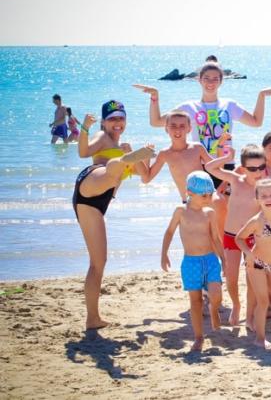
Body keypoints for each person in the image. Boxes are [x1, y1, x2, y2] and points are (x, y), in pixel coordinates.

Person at [134, 61, 271, 234]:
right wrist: (154, 97)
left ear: (221, 81)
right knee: (205, 216)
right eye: (206, 78)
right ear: (199, 80)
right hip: (202, 167)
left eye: (215, 78)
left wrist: (261, 96)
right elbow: (157, 122)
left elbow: (256, 122)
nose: (210, 82)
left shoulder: (230, 105)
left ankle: (231, 255)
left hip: (226, 166)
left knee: (229, 215)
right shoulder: (189, 107)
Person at [73, 100, 154, 329]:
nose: (117, 123)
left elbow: (145, 177)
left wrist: (144, 156)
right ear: (103, 122)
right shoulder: (102, 137)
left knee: (98, 263)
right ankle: (120, 162)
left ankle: (92, 319)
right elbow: (82, 152)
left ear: (125, 120)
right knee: (111, 172)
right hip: (91, 180)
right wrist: (86, 128)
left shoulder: (125, 145)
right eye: (112, 119)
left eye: (120, 118)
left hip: (95, 204)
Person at [161, 171, 224, 352]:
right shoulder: (181, 211)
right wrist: (164, 254)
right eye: (203, 195)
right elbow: (169, 232)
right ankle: (199, 337)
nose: (208, 198)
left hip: (210, 260)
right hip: (191, 263)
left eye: (210, 195)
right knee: (195, 302)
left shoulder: (210, 213)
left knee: (216, 293)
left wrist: (224, 260)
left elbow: (216, 238)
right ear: (189, 192)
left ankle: (213, 310)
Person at [204, 145, 266, 327]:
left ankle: (250, 316)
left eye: (261, 168)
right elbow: (210, 168)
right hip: (231, 236)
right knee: (231, 277)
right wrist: (226, 158)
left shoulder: (264, 187)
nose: (258, 172)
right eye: (252, 169)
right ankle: (236, 305)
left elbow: (269, 212)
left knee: (251, 277)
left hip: (252, 238)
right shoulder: (235, 179)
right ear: (244, 168)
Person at [235, 179, 271, 349]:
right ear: (257, 199)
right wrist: (248, 254)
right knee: (263, 301)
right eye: (264, 195)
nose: (268, 198)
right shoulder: (256, 221)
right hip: (256, 264)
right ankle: (260, 338)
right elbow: (239, 238)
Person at [140, 110, 220, 203]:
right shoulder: (165, 154)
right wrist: (147, 157)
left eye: (182, 126)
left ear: (189, 129)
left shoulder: (197, 148)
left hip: (208, 200)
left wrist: (221, 149)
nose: (177, 130)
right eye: (173, 126)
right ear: (166, 129)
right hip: (188, 204)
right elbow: (146, 179)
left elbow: (216, 169)